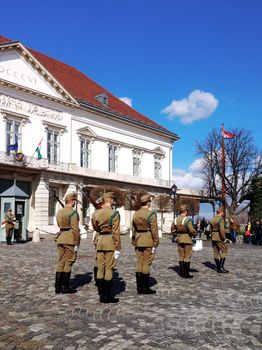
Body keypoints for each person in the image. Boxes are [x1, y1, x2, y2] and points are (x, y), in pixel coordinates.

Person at [92, 192, 121, 303]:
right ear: (109, 200)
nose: (113, 201)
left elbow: (95, 228)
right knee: (109, 268)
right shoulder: (114, 214)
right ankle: (107, 295)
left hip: (100, 241)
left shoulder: (96, 213)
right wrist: (117, 246)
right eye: (112, 199)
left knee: (100, 268)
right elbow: (116, 232)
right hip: (110, 241)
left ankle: (101, 293)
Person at [132, 194, 159, 294]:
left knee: (139, 262)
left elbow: (133, 228)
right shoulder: (151, 214)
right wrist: (156, 242)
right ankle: (145, 287)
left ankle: (139, 287)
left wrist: (134, 239)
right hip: (148, 239)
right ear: (148, 203)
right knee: (147, 262)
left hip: (138, 239)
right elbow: (154, 230)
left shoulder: (135, 214)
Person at [55, 192, 81, 294]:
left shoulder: (59, 212)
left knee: (60, 261)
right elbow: (75, 229)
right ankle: (65, 287)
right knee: (69, 262)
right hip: (69, 239)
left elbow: (59, 224)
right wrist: (77, 242)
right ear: (72, 201)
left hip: (61, 238)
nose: (75, 203)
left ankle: (58, 287)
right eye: (74, 201)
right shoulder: (73, 213)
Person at [171, 205, 197, 278]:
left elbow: (172, 230)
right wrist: (195, 234)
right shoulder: (187, 220)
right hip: (187, 238)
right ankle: (186, 273)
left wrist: (177, 235)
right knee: (187, 256)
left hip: (179, 239)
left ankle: (182, 273)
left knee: (181, 256)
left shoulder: (175, 219)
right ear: (186, 211)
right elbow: (191, 230)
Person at [210, 208, 229, 273]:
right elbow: (222, 230)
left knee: (216, 252)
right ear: (221, 212)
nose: (223, 213)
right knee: (224, 250)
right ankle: (220, 267)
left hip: (213, 236)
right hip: (219, 237)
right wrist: (224, 238)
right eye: (223, 212)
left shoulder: (212, 219)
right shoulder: (221, 219)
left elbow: (210, 229)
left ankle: (218, 267)